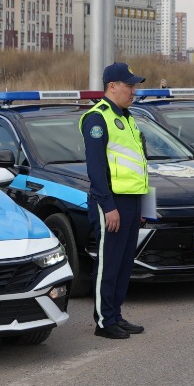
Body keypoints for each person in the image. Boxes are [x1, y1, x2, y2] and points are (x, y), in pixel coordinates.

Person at [81, 61, 151, 340]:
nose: (133, 91)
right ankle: (103, 321)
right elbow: (96, 169)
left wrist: (145, 205)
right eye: (129, 85)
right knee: (108, 263)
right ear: (112, 86)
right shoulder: (97, 118)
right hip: (111, 202)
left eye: (134, 86)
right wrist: (108, 206)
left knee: (124, 263)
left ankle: (115, 315)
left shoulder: (128, 117)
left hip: (132, 201)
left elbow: (139, 164)